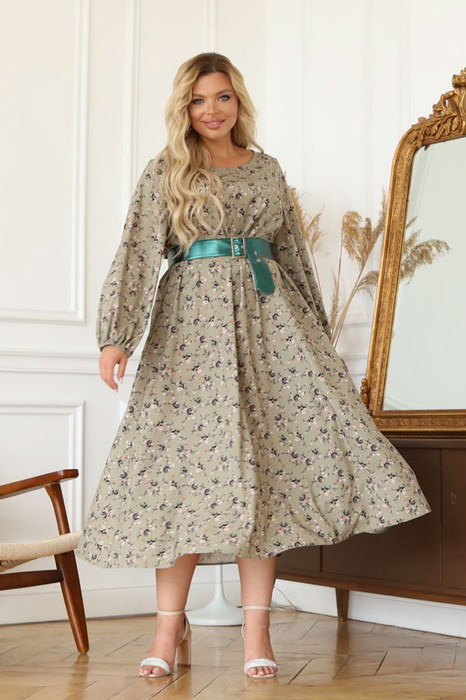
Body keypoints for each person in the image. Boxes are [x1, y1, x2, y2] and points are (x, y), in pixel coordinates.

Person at [75, 51, 431, 680]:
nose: (211, 110)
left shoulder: (267, 170)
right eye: (198, 100)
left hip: (270, 328)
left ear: (238, 100)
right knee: (181, 478)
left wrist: (316, 337)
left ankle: (257, 631)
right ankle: (167, 629)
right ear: (183, 108)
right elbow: (135, 253)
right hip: (189, 335)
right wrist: (116, 337)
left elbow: (292, 257)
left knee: (267, 476)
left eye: (222, 97)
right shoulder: (167, 170)